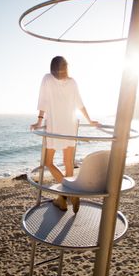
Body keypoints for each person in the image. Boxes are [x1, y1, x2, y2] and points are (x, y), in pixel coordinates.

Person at [31, 56, 98, 213]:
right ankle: (63, 198)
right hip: (70, 125)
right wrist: (89, 120)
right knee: (68, 162)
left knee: (48, 162)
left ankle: (68, 194)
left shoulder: (47, 79)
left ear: (52, 68)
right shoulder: (72, 81)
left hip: (54, 124)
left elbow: (43, 101)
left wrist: (39, 121)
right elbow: (79, 103)